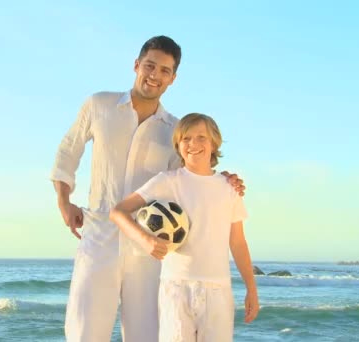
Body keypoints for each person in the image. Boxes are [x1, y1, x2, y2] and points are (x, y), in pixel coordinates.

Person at [50, 36, 245, 342]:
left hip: (150, 247)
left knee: (147, 336)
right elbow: (67, 150)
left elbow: (191, 174)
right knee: (83, 332)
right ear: (136, 65)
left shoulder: (174, 129)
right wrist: (64, 201)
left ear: (173, 78)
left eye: (165, 70)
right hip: (98, 236)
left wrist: (225, 178)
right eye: (150, 66)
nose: (155, 75)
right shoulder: (99, 104)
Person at [109, 113, 259, 342]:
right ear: (178, 145)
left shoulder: (229, 189)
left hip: (218, 289)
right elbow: (118, 211)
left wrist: (251, 288)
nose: (193, 144)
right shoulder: (167, 181)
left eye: (201, 137)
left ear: (214, 143)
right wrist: (146, 240)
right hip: (176, 287)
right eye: (186, 138)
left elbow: (237, 242)